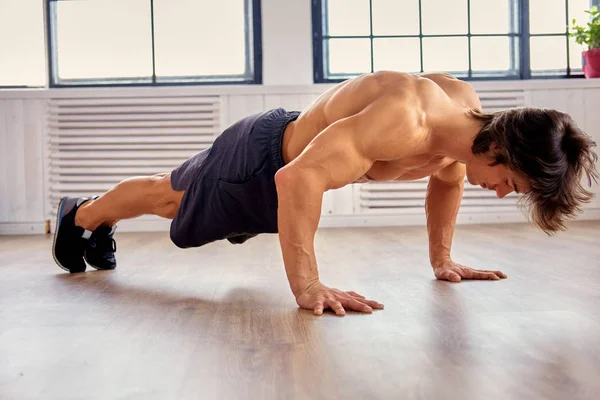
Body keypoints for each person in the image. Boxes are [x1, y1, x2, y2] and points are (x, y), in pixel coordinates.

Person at [51, 71, 598, 316]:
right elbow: (298, 180)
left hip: (283, 149)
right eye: (512, 184)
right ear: (500, 152)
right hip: (265, 160)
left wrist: (443, 260)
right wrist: (308, 286)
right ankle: (82, 216)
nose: (503, 195)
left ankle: (92, 217)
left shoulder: (462, 123)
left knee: (170, 191)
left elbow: (447, 183)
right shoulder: (404, 120)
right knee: (170, 199)